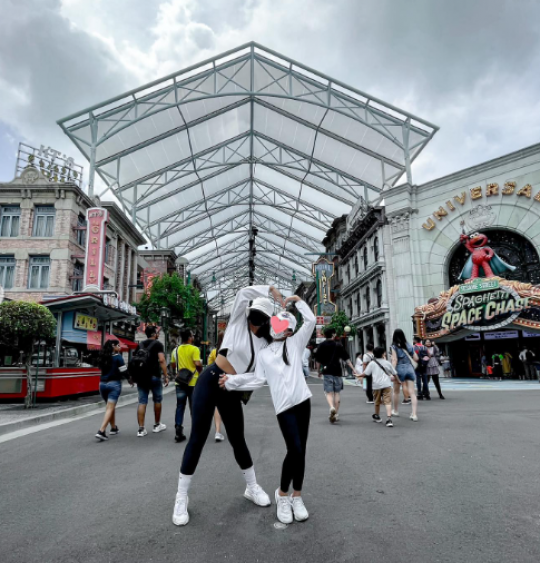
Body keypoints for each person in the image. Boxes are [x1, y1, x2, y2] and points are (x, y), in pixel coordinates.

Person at [172, 285, 285, 527]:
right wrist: (271, 290)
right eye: (253, 312)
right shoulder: (236, 323)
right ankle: (181, 497)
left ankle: (252, 488)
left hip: (231, 387)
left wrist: (235, 381)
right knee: (198, 437)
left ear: (267, 321)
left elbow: (260, 378)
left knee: (238, 439)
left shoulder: (265, 345)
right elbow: (243, 293)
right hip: (211, 379)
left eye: (261, 317)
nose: (255, 319)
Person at [220, 295, 316, 524]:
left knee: (301, 451)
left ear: (289, 331)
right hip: (284, 407)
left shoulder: (295, 343)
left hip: (303, 401)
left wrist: (298, 301)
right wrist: (232, 381)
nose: (278, 328)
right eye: (276, 323)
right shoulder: (263, 354)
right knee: (294, 449)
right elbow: (256, 379)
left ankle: (297, 496)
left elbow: (311, 321)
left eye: (284, 326)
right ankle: (282, 494)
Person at [314, 327, 358, 423]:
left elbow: (317, 361)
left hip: (327, 371)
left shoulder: (321, 345)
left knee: (329, 393)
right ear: (333, 335)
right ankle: (336, 413)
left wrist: (318, 371)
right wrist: (353, 369)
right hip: (337, 372)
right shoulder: (339, 345)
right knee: (337, 393)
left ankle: (331, 407)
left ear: (324, 335)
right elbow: (346, 359)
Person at [135, 325, 169, 437]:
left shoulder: (140, 344)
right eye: (157, 332)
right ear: (154, 334)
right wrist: (166, 375)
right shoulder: (158, 344)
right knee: (157, 400)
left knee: (142, 401)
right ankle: (157, 425)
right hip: (154, 376)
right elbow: (162, 360)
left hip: (141, 376)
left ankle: (141, 429)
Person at [95, 339, 132, 441]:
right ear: (113, 346)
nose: (119, 347)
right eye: (118, 345)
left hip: (102, 385)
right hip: (114, 385)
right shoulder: (118, 358)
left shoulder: (103, 357)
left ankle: (113, 428)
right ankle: (101, 431)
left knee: (110, 407)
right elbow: (124, 371)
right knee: (110, 407)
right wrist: (130, 379)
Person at [171, 329, 203, 443]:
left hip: (180, 382)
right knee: (193, 407)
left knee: (180, 406)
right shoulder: (194, 349)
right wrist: (200, 372)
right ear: (190, 337)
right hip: (193, 382)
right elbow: (197, 363)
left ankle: (178, 429)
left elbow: (173, 364)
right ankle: (196, 431)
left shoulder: (176, 350)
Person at [358, 346, 397, 427]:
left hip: (376, 385)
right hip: (387, 384)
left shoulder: (372, 363)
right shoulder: (387, 362)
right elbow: (394, 373)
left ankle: (377, 416)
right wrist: (396, 380)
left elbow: (366, 373)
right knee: (388, 402)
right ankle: (389, 419)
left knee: (377, 402)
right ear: (383, 354)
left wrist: (358, 375)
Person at [390, 329, 419, 421]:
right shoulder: (408, 345)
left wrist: (392, 372)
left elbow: (394, 360)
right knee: (412, 392)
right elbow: (416, 358)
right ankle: (414, 414)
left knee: (396, 391)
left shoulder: (393, 346)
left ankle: (395, 410)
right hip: (410, 368)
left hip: (399, 369)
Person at [208, 331, 226, 442]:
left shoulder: (214, 352)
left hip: (216, 380)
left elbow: (210, 366)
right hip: (229, 380)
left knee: (217, 406)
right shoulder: (231, 351)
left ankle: (218, 431)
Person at [413, 336, 430, 400]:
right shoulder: (424, 347)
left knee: (418, 379)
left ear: (415, 340)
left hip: (417, 365)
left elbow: (412, 356)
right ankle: (427, 394)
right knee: (425, 379)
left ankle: (420, 394)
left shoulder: (414, 347)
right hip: (424, 365)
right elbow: (429, 355)